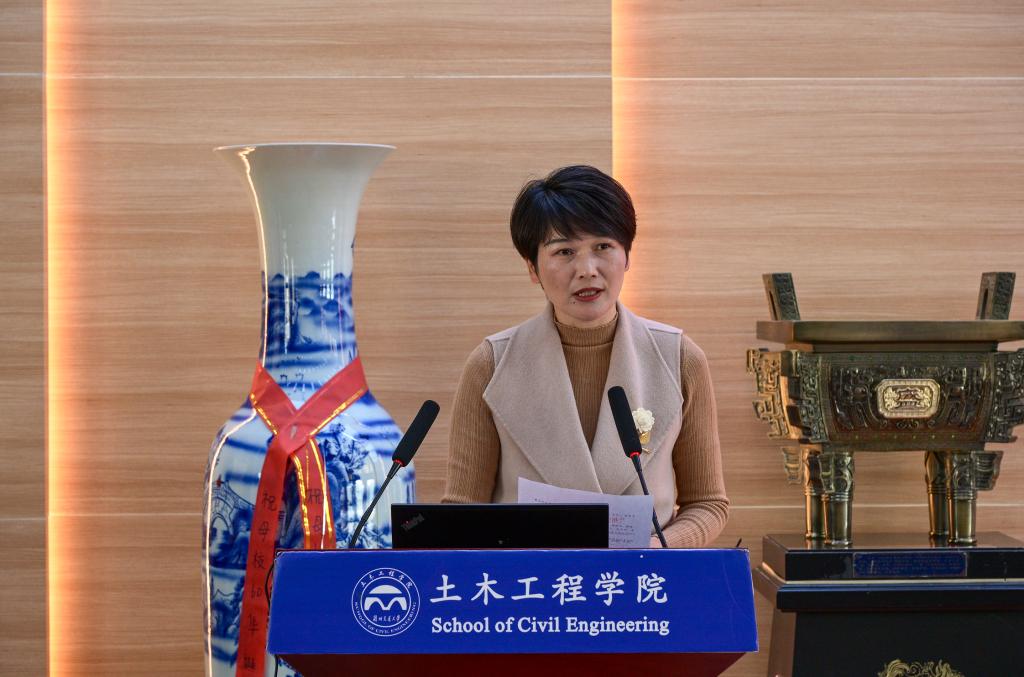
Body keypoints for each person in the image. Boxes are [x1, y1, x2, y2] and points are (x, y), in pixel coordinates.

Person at [442, 165, 728, 547]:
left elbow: (708, 504)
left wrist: (653, 551)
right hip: (532, 580)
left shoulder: (679, 358)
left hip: (642, 577)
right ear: (532, 268)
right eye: (564, 252)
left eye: (603, 247)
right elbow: (462, 511)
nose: (587, 270)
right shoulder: (491, 364)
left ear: (627, 255)